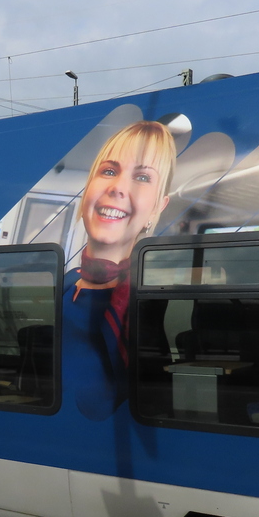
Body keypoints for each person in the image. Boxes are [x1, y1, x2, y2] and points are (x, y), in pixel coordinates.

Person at [64, 120, 177, 420]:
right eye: (109, 171)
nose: (118, 188)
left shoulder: (147, 300)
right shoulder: (61, 286)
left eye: (142, 177)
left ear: (158, 207)